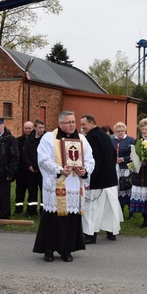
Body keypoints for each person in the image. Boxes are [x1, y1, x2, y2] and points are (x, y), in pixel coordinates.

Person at [32, 111, 94, 262]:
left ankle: (67, 249)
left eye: (74, 122)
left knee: (71, 219)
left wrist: (84, 170)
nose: (72, 125)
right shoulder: (49, 138)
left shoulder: (82, 139)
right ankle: (48, 249)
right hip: (56, 185)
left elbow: (90, 159)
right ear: (60, 124)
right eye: (69, 122)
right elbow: (43, 159)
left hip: (74, 185)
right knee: (53, 219)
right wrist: (59, 170)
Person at [80, 114, 122, 243]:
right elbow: (114, 154)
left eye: (84, 125)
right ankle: (112, 232)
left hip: (98, 179)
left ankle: (90, 234)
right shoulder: (105, 135)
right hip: (110, 178)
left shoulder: (91, 137)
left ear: (92, 123)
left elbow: (94, 160)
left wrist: (89, 179)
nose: (82, 128)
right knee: (110, 208)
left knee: (92, 208)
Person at [21, 119, 45, 215]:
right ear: (35, 128)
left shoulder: (46, 139)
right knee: (32, 190)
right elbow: (25, 154)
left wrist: (37, 165)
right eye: (39, 128)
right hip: (31, 170)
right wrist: (29, 165)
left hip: (43, 170)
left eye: (43, 127)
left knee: (44, 190)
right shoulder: (29, 140)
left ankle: (44, 211)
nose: (41, 130)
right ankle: (31, 210)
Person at [14, 121, 37, 215]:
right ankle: (18, 210)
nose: (27, 130)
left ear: (33, 128)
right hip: (20, 171)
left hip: (32, 170)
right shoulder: (18, 141)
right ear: (23, 129)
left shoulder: (35, 141)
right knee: (19, 191)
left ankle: (31, 211)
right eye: (26, 128)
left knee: (32, 191)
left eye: (29, 128)